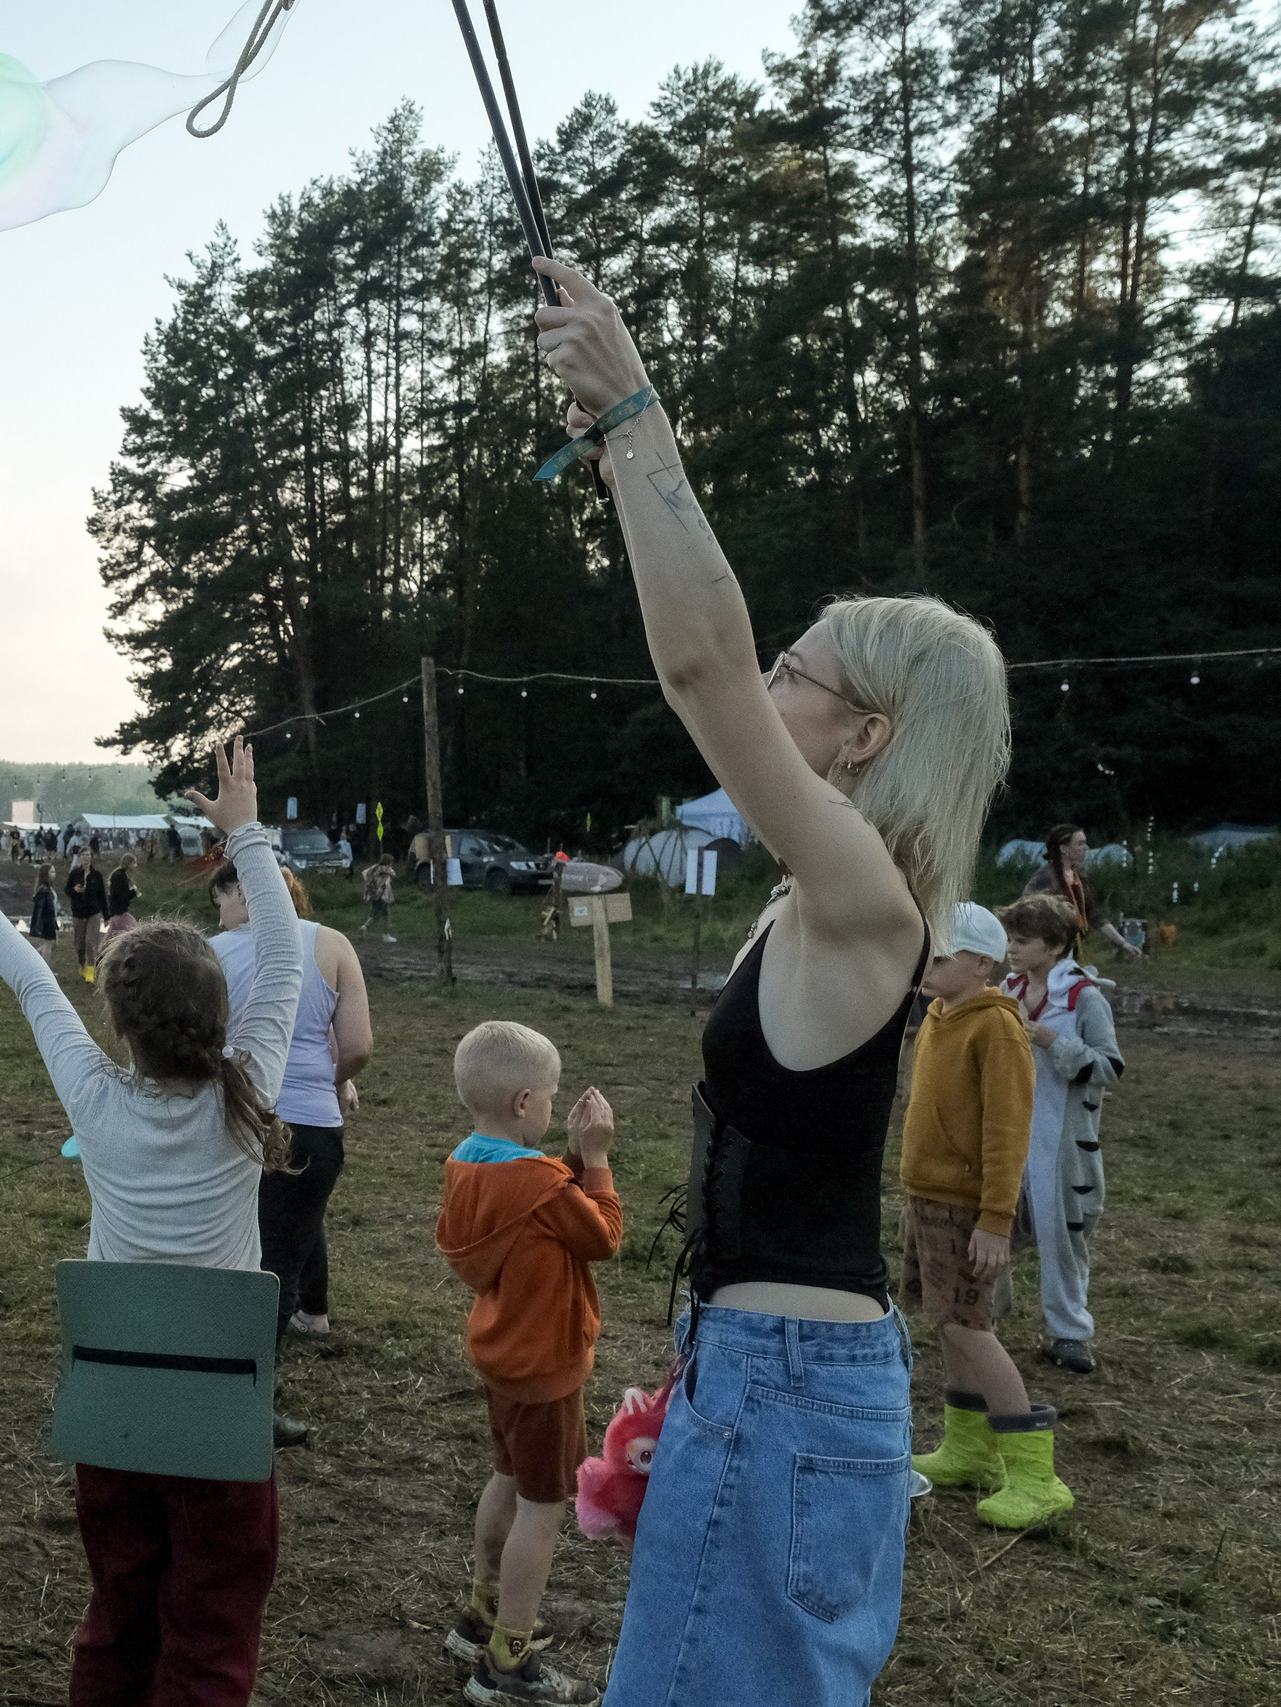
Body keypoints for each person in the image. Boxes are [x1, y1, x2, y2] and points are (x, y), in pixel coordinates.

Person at [537, 251, 1012, 1706]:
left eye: (796, 671)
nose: (769, 686)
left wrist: (637, 414)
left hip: (789, 1391)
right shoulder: (829, 898)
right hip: (760, 1372)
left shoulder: (868, 899)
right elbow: (717, 663)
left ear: (868, 738)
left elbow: (701, 667)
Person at [0, 738, 298, 1707]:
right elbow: (287, 951)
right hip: (221, 1417)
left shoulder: (94, 1097)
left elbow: (34, 984)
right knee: (208, 1631)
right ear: (222, 1013)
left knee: (119, 1612)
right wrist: (245, 830)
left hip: (113, 1409)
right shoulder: (246, 1096)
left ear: (120, 1024)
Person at [434, 1021, 621, 1705]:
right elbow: (602, 1235)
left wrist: (567, 1155)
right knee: (543, 1510)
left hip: (502, 1360)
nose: (552, 1105)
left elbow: (540, 1198)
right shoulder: (541, 1185)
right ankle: (507, 1662)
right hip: (545, 1371)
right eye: (549, 1096)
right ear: (522, 1103)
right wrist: (595, 1158)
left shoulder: (467, 1163)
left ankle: (480, 1614)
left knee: (507, 1478)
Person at [901, 903, 1071, 1526]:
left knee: (970, 1326)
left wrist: (995, 1219)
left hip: (967, 1208)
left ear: (981, 963)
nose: (928, 965)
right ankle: (969, 1449)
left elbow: (1007, 1129)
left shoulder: (997, 1029)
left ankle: (1035, 1477)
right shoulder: (938, 1016)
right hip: (928, 1199)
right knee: (948, 1322)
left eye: (942, 956)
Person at [210, 857, 373, 1366]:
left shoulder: (211, 953)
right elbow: (358, 1046)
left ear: (243, 891)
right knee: (295, 1218)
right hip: (313, 1121)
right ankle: (310, 1315)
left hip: (237, 1115)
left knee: (262, 1253)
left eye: (221, 899)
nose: (219, 913)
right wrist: (332, 1080)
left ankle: (247, 1376)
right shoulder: (333, 944)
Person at [999, 892, 1124, 1377]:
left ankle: (1069, 1333)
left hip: (1062, 1141)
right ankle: (982, 1321)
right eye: (1010, 939)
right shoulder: (1006, 990)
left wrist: (1054, 1043)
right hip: (1007, 1133)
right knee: (989, 1228)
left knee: (1062, 1239)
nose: (1011, 948)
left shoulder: (1085, 998)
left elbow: (1109, 1067)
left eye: (1022, 940)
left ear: (1053, 946)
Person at [1021, 824, 1143, 958]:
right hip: (1048, 952)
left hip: (1070, 950)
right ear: (1063, 848)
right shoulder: (1044, 879)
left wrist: (1124, 943)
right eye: (1080, 844)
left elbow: (1094, 915)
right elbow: (1027, 914)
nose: (1086, 848)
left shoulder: (1077, 878)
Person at [66, 847, 108, 986]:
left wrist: (106, 915)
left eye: (88, 854)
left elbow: (102, 895)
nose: (86, 857)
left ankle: (91, 971)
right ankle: (81, 965)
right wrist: (74, 890)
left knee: (90, 942)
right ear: (79, 857)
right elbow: (67, 890)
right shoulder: (74, 874)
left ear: (91, 857)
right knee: (79, 944)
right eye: (83, 855)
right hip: (78, 913)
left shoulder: (97, 875)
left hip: (93, 912)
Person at [27, 863, 61, 970]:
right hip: (47, 921)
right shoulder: (44, 891)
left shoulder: (48, 888)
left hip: (50, 919)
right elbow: (44, 909)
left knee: (53, 944)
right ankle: (45, 969)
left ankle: (32, 957)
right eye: (52, 872)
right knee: (49, 944)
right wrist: (49, 925)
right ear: (46, 874)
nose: (54, 874)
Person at [364, 853, 398, 941]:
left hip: (372, 894)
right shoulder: (386, 869)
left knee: (375, 913)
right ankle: (386, 935)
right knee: (385, 915)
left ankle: (365, 927)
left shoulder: (374, 868)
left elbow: (365, 873)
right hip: (382, 895)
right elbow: (394, 874)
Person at [106, 855, 137, 924]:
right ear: (128, 863)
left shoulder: (122, 874)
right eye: (133, 863)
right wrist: (133, 892)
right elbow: (120, 894)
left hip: (119, 909)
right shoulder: (119, 876)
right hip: (118, 911)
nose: (135, 865)